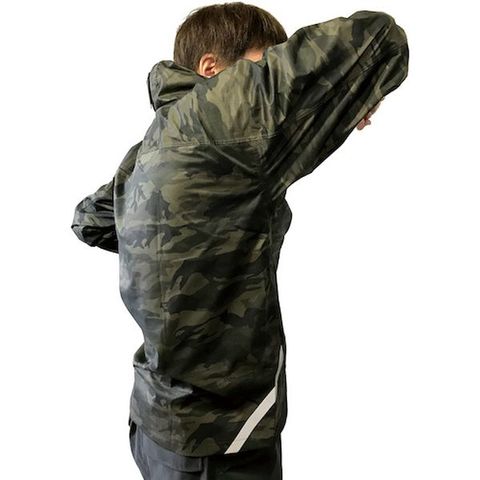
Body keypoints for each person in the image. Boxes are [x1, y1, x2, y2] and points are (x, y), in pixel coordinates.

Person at [71, 2, 409, 478]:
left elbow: (92, 220)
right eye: (263, 62)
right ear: (212, 68)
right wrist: (347, 86)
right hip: (221, 435)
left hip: (156, 419)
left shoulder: (156, 142)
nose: (272, 77)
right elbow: (380, 36)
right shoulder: (223, 116)